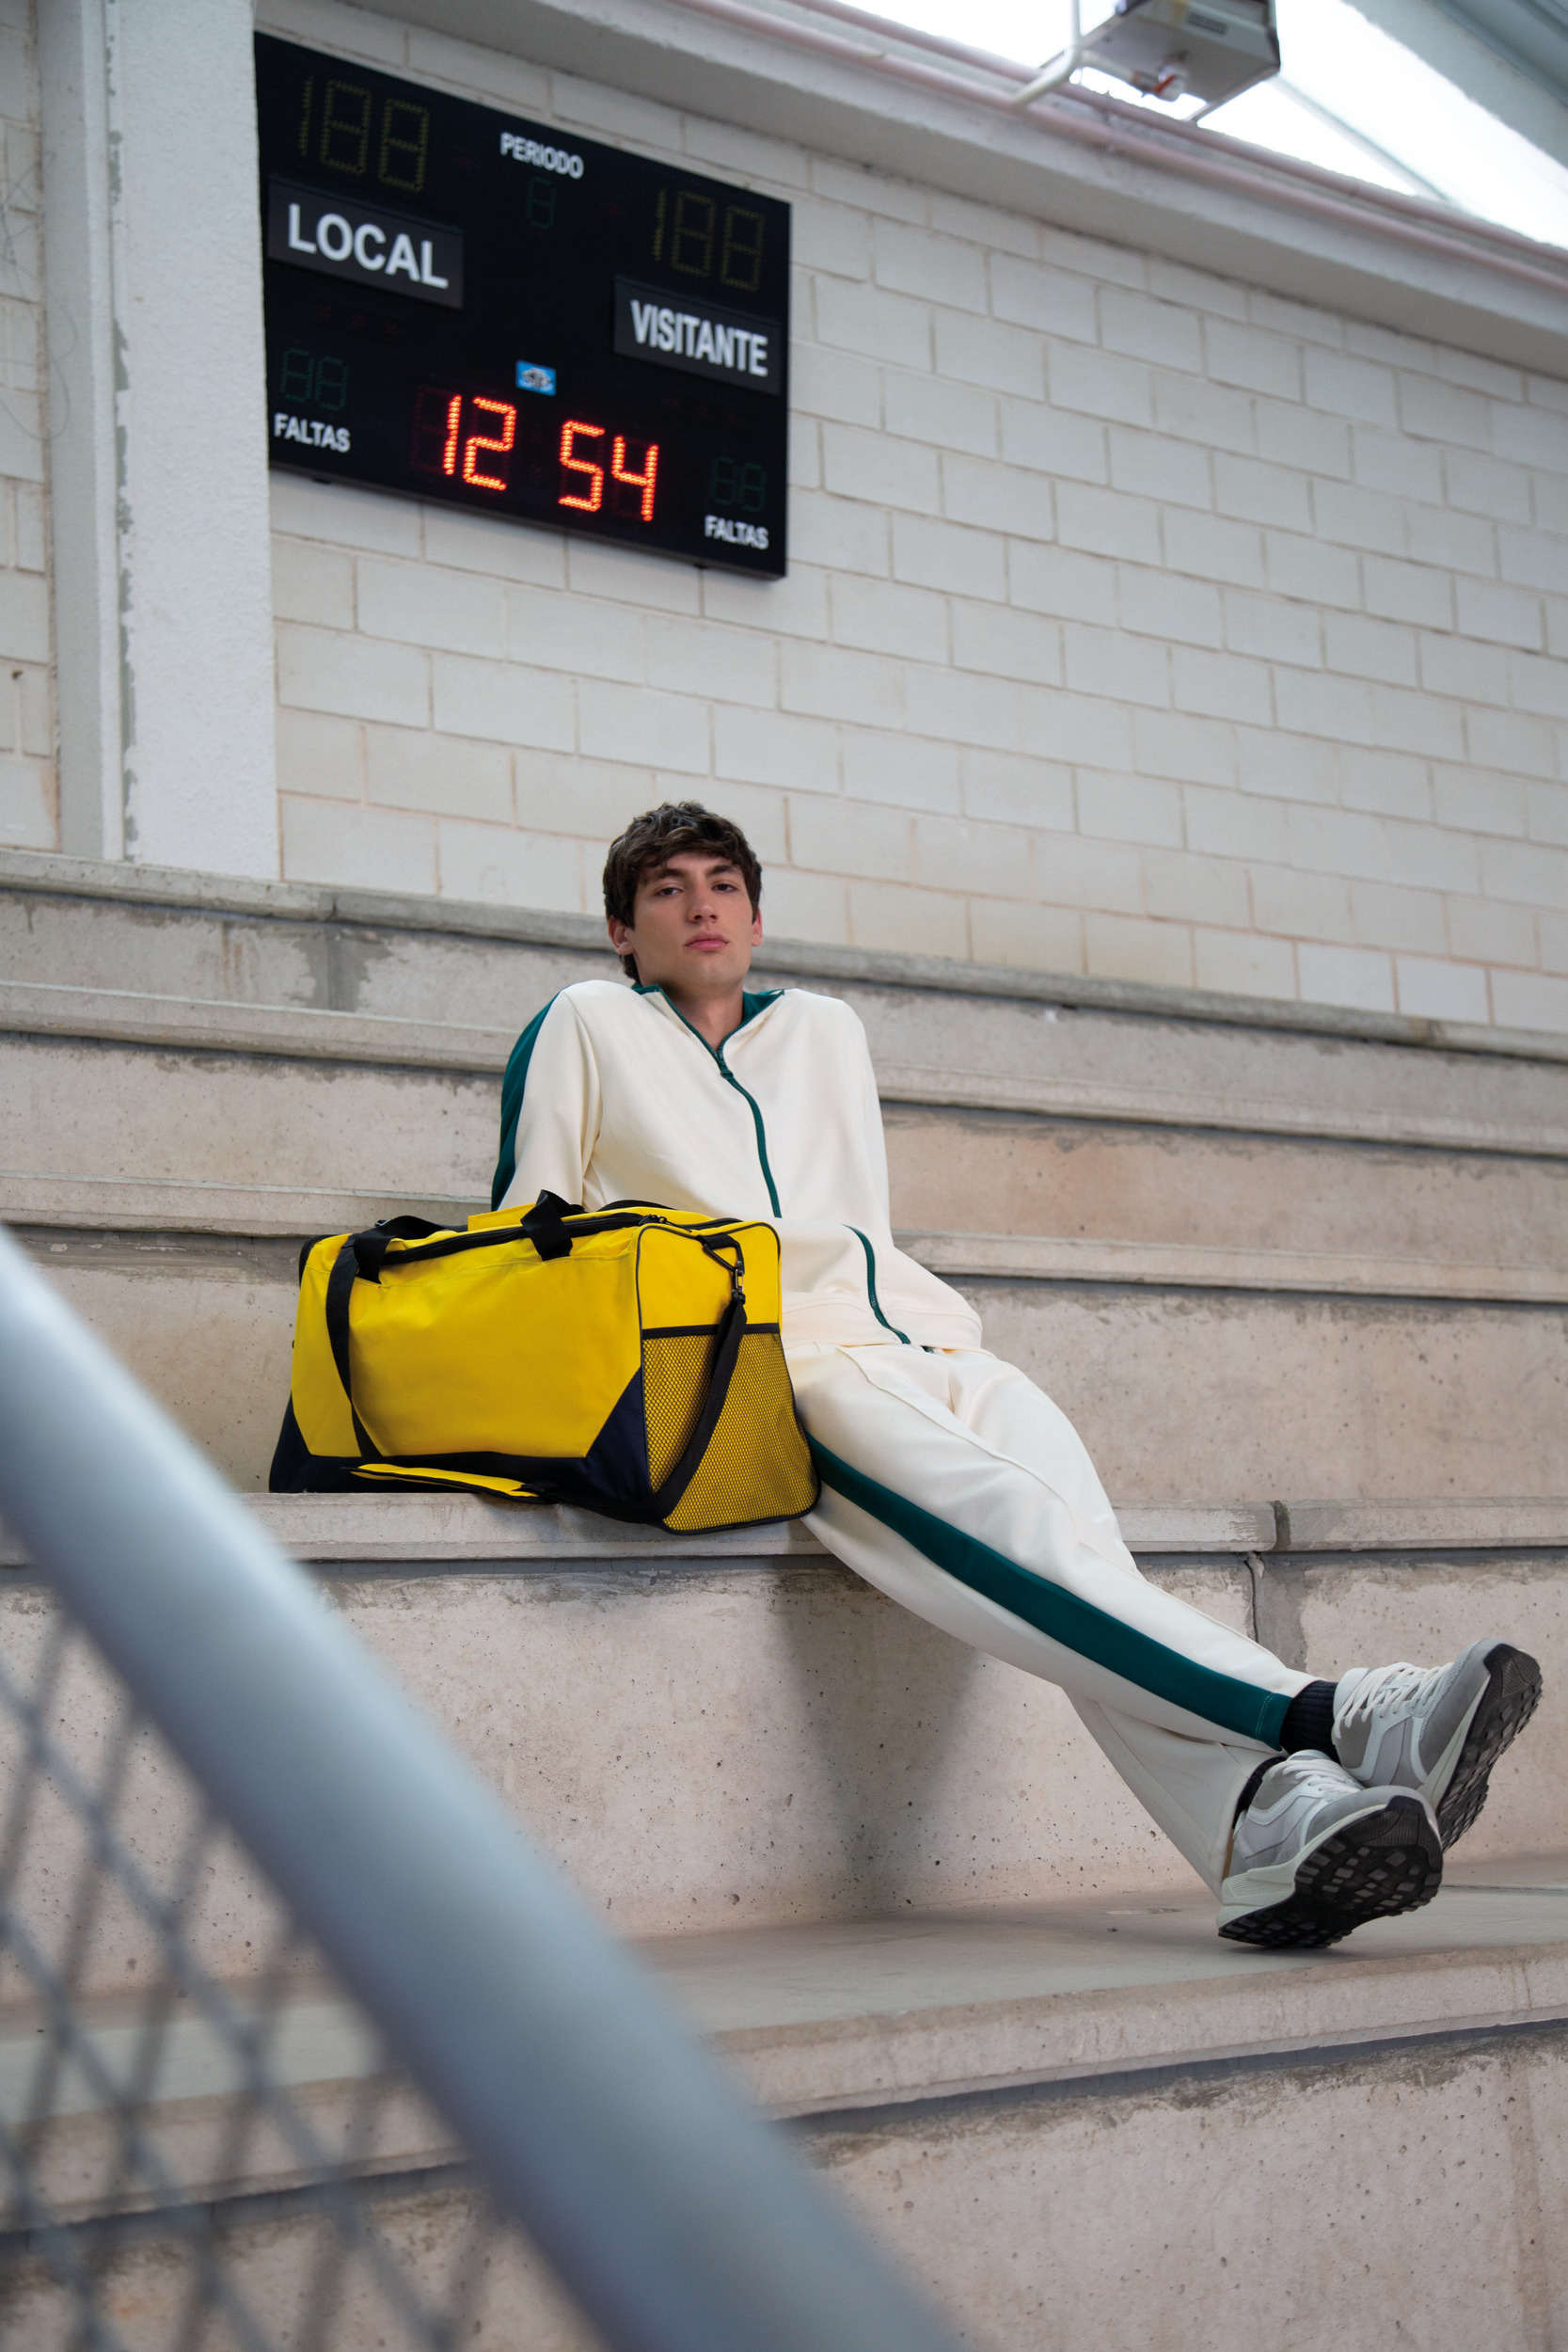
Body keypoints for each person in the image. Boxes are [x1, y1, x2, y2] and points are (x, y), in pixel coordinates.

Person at [493, 801, 1542, 1948]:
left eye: (723, 885)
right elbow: (521, 1238)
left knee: (1075, 1552)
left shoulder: (824, 1029)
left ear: (754, 916)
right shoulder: (586, 1020)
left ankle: (1261, 1821)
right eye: (666, 889)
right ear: (620, 929)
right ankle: (1338, 1716)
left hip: (930, 1341)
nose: (701, 906)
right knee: (1019, 1530)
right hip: (774, 1365)